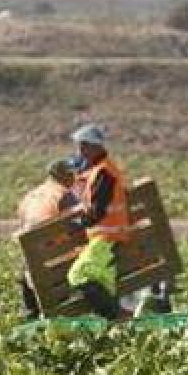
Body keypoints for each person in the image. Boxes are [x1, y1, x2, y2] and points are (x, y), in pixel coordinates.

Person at [66, 125, 134, 321]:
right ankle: (116, 319)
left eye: (82, 146)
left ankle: (116, 317)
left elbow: (98, 210)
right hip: (108, 236)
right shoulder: (102, 169)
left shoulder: (103, 173)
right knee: (104, 282)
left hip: (106, 237)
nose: (80, 151)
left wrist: (78, 224)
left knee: (78, 275)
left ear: (93, 146)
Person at [16, 158, 81, 319]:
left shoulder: (31, 196)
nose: (75, 178)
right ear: (64, 176)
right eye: (72, 174)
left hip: (30, 267)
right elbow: (79, 228)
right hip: (57, 265)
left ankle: (30, 315)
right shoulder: (63, 195)